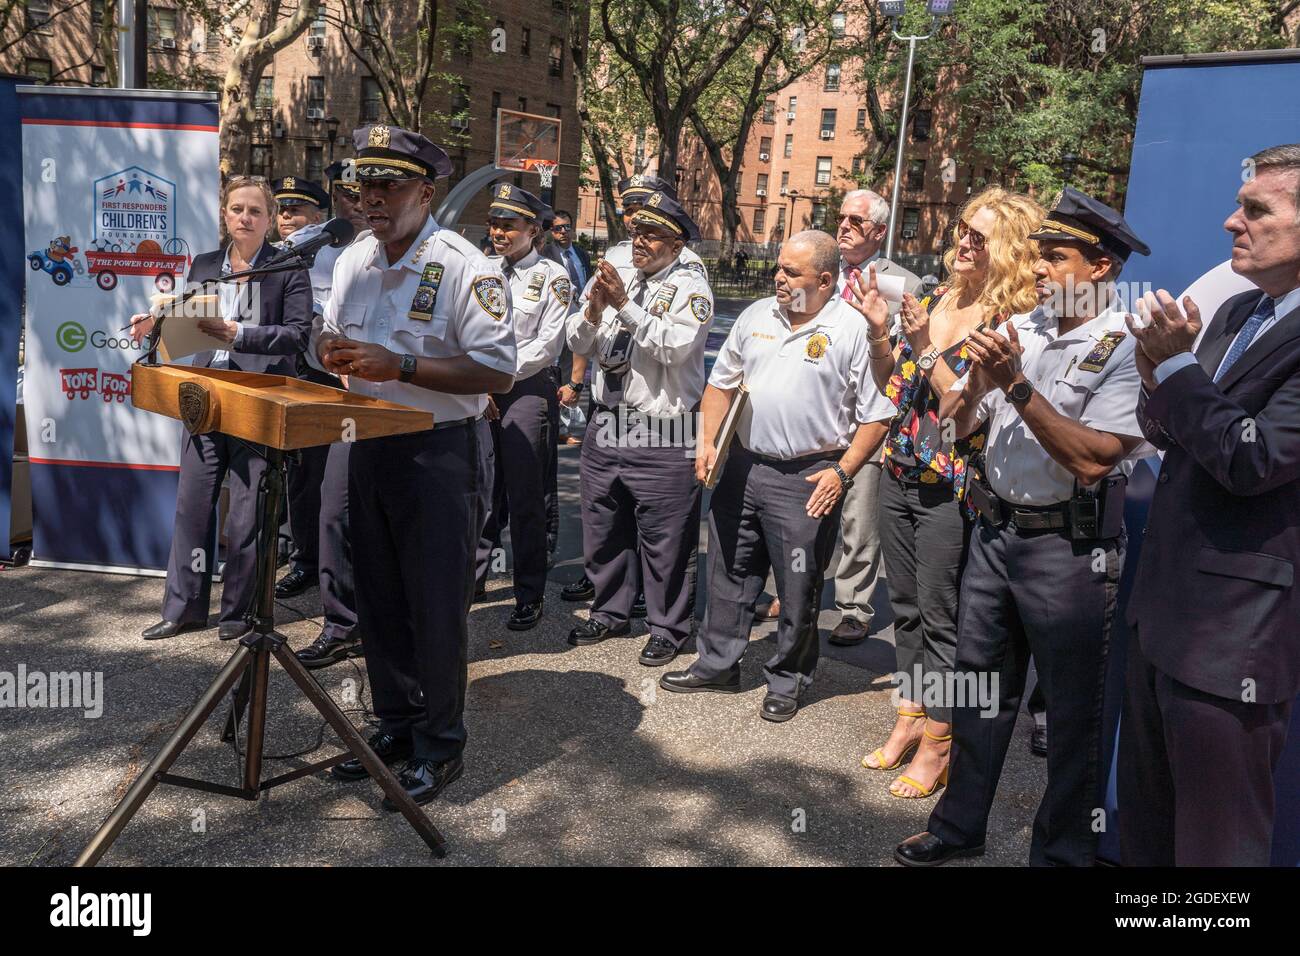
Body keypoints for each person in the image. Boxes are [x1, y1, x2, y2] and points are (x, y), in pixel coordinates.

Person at [895, 188, 1152, 866]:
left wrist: (1013, 385)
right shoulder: (1028, 327)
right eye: (1037, 255)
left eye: (1056, 257)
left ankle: (1063, 852)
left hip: (1071, 552)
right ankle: (956, 827)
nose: (1039, 270)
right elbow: (955, 424)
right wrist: (974, 382)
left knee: (1073, 717)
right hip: (994, 531)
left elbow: (1094, 458)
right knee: (974, 689)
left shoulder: (1126, 344)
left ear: (1100, 267)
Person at [318, 124, 515, 806]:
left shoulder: (465, 265)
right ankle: (395, 728)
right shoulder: (353, 260)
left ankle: (439, 745)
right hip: (366, 441)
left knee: (433, 606)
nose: (371, 198)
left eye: (388, 185)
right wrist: (328, 348)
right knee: (378, 600)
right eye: (363, 185)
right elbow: (332, 331)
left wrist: (398, 363)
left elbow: (497, 370)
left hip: (437, 453)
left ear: (425, 193)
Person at [1120, 143, 1300, 866]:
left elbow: (1254, 458)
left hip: (1234, 643)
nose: (1232, 223)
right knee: (1148, 830)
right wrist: (1155, 374)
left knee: (1216, 849)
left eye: (1256, 210)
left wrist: (1172, 368)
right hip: (1162, 618)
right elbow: (1169, 432)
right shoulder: (1234, 316)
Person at [852, 186, 1043, 798]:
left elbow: (969, 408)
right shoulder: (936, 297)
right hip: (901, 467)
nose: (962, 241)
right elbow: (897, 385)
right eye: (962, 228)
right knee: (904, 607)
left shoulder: (1008, 320)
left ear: (1007, 250)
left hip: (955, 485)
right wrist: (885, 336)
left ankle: (942, 739)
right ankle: (910, 716)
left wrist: (924, 345)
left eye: (978, 237)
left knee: (943, 619)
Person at [661, 231, 895, 721]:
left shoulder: (851, 329)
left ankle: (787, 679)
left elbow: (877, 416)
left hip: (809, 476)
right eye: (780, 268)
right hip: (743, 465)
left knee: (798, 584)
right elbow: (720, 386)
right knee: (729, 570)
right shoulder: (756, 315)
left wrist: (841, 472)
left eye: (792, 271)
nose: (778, 277)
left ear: (826, 281)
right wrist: (707, 442)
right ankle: (718, 664)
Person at [131, 176, 313, 642]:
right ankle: (183, 609)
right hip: (204, 394)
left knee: (247, 513)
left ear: (269, 219)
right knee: (193, 505)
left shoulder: (287, 268)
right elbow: (189, 325)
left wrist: (239, 334)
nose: (245, 218)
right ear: (225, 215)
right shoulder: (206, 264)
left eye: (255, 211)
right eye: (237, 209)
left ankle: (238, 614)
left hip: (256, 397)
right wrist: (156, 324)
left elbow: (298, 336)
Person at [565, 190, 713, 666]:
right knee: (604, 523)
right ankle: (610, 611)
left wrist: (624, 304)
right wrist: (593, 309)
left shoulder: (692, 286)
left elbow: (673, 347)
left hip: (662, 427)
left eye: (652, 235)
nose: (640, 242)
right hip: (608, 419)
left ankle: (668, 627)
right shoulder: (619, 275)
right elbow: (577, 340)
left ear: (676, 244)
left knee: (665, 536)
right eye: (636, 232)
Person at [825, 188, 924, 647]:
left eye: (855, 222)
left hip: (870, 416)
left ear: (879, 232)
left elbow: (903, 356)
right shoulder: (819, 269)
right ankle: (795, 590)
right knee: (803, 514)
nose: (843, 226)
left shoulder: (903, 283)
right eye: (840, 218)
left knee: (858, 519)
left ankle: (853, 608)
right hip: (819, 412)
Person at [475, 184, 570, 629]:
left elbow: (548, 343)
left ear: (533, 230)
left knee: (525, 492)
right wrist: (479, 385)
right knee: (481, 487)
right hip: (479, 389)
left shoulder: (554, 277)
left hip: (526, 387)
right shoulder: (482, 269)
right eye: (495, 223)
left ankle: (528, 592)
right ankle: (473, 578)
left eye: (508, 225)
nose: (498, 232)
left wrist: (497, 380)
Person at [292, 159, 369, 670]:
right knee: (333, 509)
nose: (359, 203)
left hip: (408, 405)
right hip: (340, 391)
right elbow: (317, 318)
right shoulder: (319, 245)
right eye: (349, 192)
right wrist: (326, 349)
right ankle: (341, 623)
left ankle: (392, 621)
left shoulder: (443, 256)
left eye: (371, 192)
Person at [270, 175, 337, 602]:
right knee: (290, 474)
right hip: (279, 373)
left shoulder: (333, 254)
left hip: (321, 375)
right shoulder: (269, 257)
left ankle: (316, 562)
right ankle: (297, 554)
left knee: (319, 475)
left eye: (297, 209)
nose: (287, 217)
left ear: (319, 215)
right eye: (282, 209)